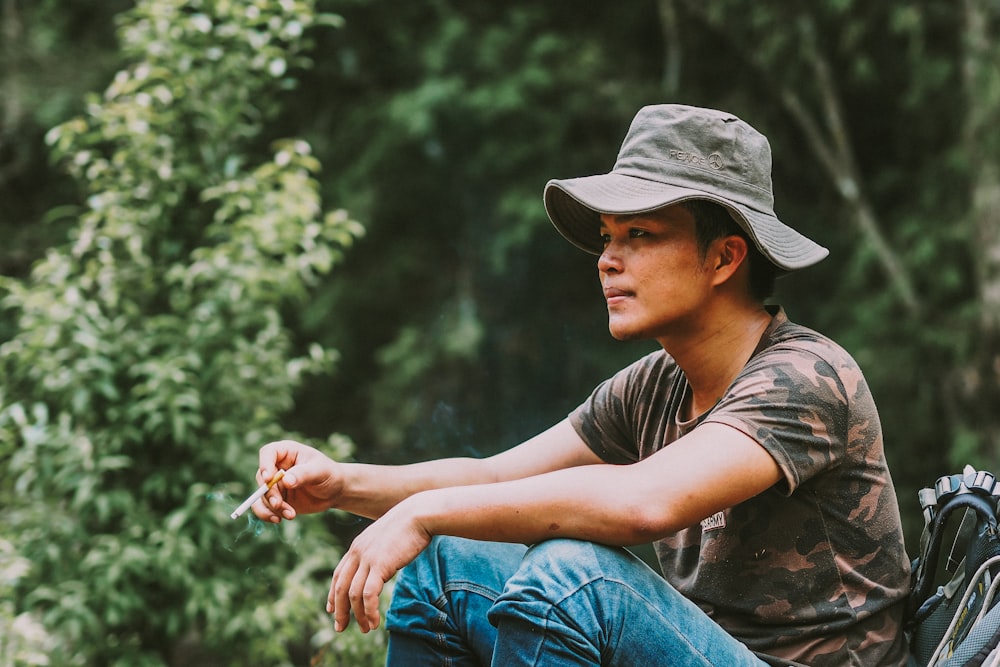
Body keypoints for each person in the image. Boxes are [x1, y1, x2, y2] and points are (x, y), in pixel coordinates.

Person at [250, 104, 911, 666]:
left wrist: (421, 512)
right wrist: (342, 486)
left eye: (640, 235)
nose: (607, 260)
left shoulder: (805, 377)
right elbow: (492, 481)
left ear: (724, 256)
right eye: (606, 237)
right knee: (445, 561)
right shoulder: (656, 386)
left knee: (572, 574)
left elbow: (642, 504)